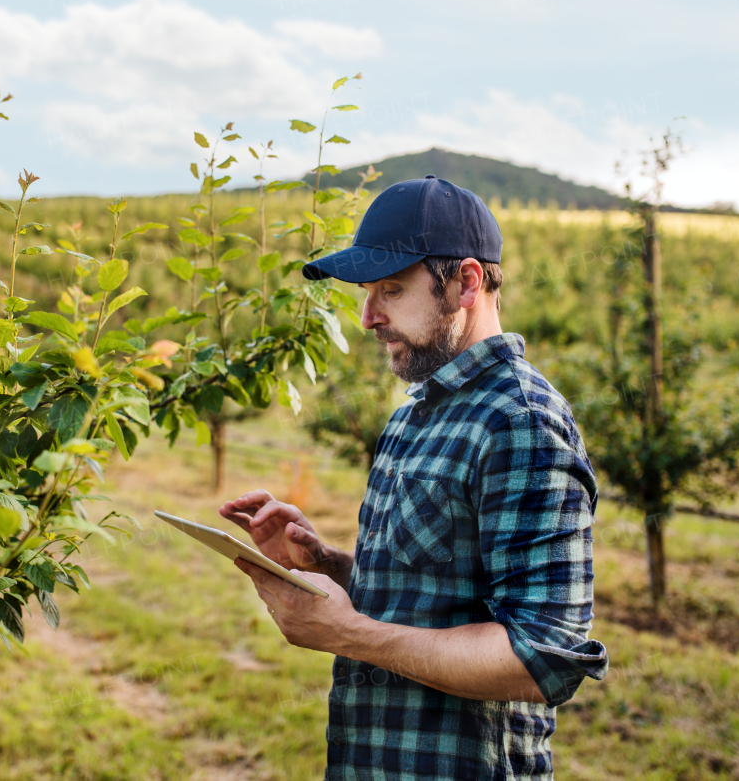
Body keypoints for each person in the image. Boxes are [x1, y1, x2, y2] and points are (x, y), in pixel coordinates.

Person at [218, 175, 606, 780]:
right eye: (368, 293)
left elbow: (541, 660)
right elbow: (431, 597)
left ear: (466, 283)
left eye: (392, 291)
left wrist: (348, 636)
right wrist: (323, 562)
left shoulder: (519, 423)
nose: (369, 317)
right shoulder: (414, 414)